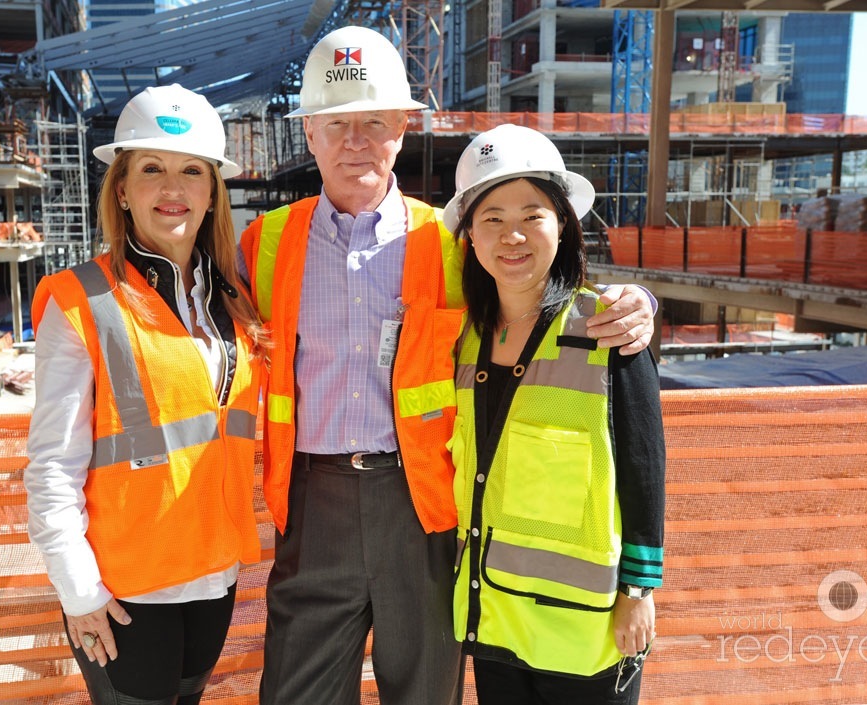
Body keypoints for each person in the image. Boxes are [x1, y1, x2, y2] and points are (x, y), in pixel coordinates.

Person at [237, 25, 656, 705]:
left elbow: (535, 288)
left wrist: (639, 301)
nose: (356, 141)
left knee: (427, 690)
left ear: (403, 126)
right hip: (313, 509)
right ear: (308, 133)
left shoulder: (451, 242)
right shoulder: (264, 244)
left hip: (425, 505)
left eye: (375, 121)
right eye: (337, 124)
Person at [24, 84, 268, 705]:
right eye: (151, 170)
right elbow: (53, 466)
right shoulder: (81, 302)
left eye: (191, 172)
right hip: (126, 594)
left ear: (213, 191)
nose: (172, 189)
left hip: (213, 579)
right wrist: (79, 592)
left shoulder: (234, 304)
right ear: (123, 189)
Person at [443, 124, 666, 704]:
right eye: (491, 217)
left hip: (585, 628)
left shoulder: (605, 327)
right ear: (468, 233)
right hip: (497, 617)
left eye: (532, 215)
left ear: (562, 223)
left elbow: (644, 466)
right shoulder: (466, 340)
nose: (511, 235)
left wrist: (640, 589)